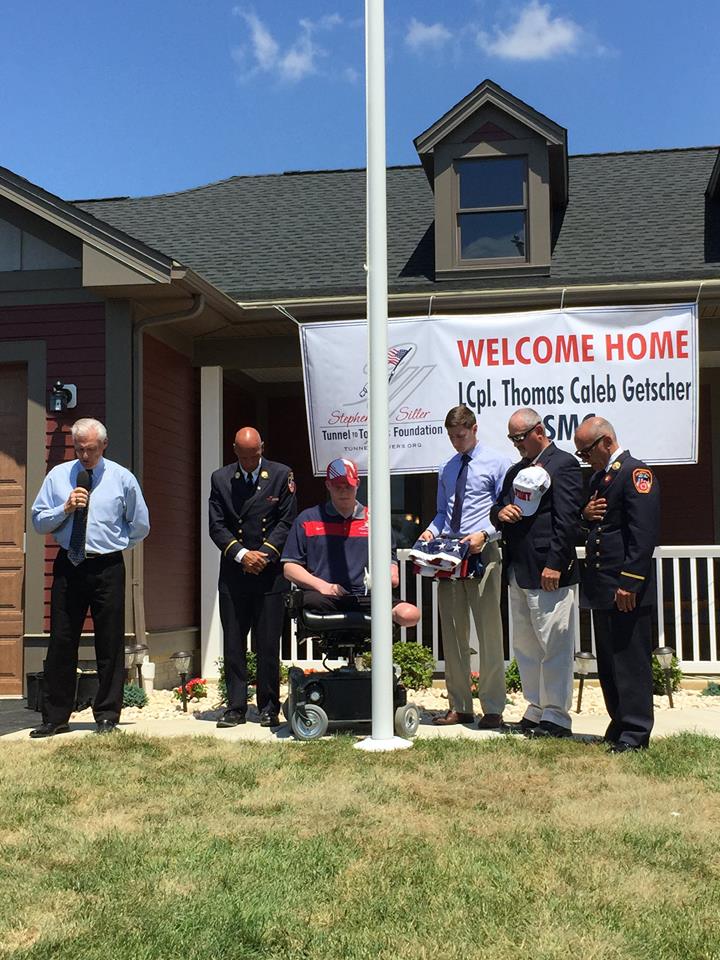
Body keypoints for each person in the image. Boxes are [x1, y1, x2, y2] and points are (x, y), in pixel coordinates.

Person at [30, 418, 150, 737]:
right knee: (61, 639)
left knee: (109, 641)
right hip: (70, 564)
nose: (85, 455)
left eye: (92, 449)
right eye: (80, 449)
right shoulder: (58, 477)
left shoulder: (122, 478)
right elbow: (39, 522)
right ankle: (55, 717)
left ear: (104, 445)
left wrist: (115, 544)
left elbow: (140, 524)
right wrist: (65, 509)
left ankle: (107, 715)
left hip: (107, 566)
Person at [490, 409, 584, 738]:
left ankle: (556, 715)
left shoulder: (564, 464)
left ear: (539, 431)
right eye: (512, 438)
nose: (516, 444)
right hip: (518, 567)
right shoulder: (516, 470)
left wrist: (556, 563)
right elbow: (496, 507)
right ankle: (536, 707)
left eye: (520, 437)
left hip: (548, 568)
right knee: (526, 645)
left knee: (554, 642)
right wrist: (501, 512)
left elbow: (567, 518)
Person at [419, 405, 511, 728]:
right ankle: (460, 706)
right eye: (451, 437)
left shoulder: (498, 463)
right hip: (450, 553)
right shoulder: (446, 467)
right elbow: (442, 513)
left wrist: (485, 535)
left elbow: (506, 512)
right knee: (452, 631)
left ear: (474, 428)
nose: (456, 442)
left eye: (460, 435)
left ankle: (493, 707)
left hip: (483, 550)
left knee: (489, 631)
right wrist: (430, 531)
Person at [573, 416, 660, 752]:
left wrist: (630, 582)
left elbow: (643, 533)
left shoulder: (636, 473)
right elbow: (596, 529)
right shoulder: (601, 477)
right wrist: (585, 515)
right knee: (609, 661)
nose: (585, 459)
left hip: (625, 586)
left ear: (606, 442)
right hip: (603, 584)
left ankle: (636, 732)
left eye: (586, 452)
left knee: (630, 660)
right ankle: (620, 723)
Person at [209, 427, 297, 728]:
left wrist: (264, 555)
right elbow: (217, 526)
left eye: (254, 455)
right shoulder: (221, 479)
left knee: (268, 644)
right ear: (234, 450)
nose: (249, 462)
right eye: (244, 456)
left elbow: (286, 521)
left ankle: (269, 706)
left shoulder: (281, 475)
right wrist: (242, 555)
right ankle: (235, 706)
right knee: (234, 643)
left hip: (269, 574)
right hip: (235, 574)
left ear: (262, 448)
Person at [281, 458, 419, 628]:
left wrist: (392, 574)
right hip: (323, 596)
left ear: (358, 484)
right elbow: (290, 567)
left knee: (410, 615)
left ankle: (379, 630)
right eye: (338, 486)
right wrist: (323, 586)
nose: (343, 492)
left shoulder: (375, 520)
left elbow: (390, 560)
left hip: (366, 595)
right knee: (303, 603)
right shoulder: (307, 519)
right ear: (328, 485)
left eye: (348, 486)